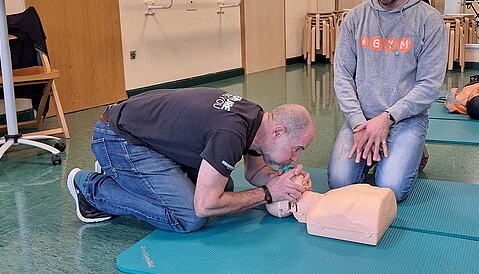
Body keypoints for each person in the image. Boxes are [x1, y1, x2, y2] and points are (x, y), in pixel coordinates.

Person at [66, 88, 315, 233]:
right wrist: (268, 193)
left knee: (225, 188)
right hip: (119, 138)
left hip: (143, 132)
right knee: (189, 217)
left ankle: (124, 175)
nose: (295, 158)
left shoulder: (257, 120)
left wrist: (283, 182)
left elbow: (255, 171)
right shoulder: (230, 133)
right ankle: (90, 188)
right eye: (296, 149)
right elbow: (204, 206)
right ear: (278, 132)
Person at [328, 0, 448, 201]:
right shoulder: (355, 19)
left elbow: (429, 86)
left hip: (405, 119)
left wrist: (388, 118)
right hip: (361, 119)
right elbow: (343, 76)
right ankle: (386, 150)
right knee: (339, 183)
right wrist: (358, 123)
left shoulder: (429, 21)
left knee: (390, 188)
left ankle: (413, 150)